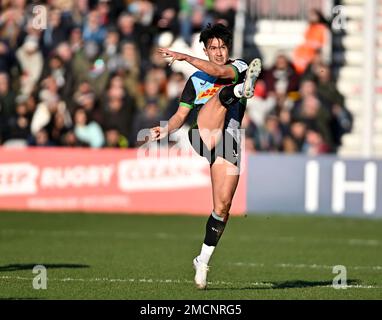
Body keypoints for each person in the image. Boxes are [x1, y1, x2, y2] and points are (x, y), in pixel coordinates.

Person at [150, 23, 261, 289]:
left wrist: (186, 58)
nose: (219, 52)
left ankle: (202, 260)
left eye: (223, 47)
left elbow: (221, 71)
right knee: (223, 96)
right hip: (203, 135)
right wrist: (164, 129)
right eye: (213, 48)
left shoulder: (240, 67)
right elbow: (180, 116)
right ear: (205, 50)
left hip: (229, 142)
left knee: (222, 207)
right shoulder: (195, 81)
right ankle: (235, 92)